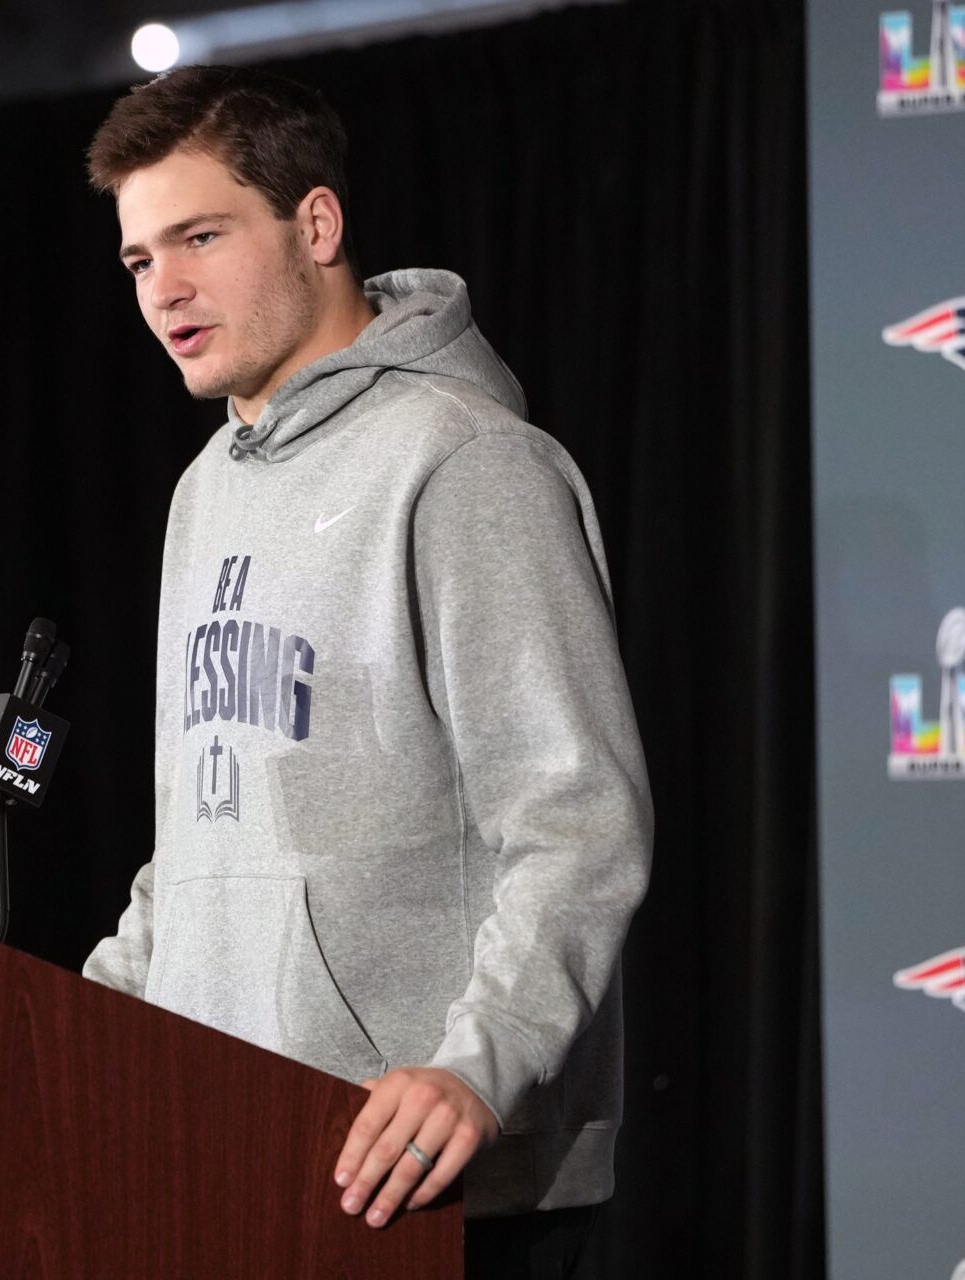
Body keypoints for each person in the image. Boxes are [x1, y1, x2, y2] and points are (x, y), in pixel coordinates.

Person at [78, 64, 653, 1279]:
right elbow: (205, 833)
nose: (165, 288)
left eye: (200, 236)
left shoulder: (467, 464)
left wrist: (475, 1064)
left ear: (317, 224)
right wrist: (74, 1030)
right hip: (226, 1151)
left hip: (432, 1186)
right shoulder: (206, 488)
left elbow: (579, 822)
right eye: (138, 260)